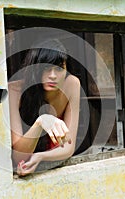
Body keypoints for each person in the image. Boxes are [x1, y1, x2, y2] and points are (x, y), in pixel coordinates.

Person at [8, 39, 80, 176]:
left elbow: (69, 147)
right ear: (35, 68)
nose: (53, 76)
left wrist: (40, 157)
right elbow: (18, 156)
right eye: (46, 68)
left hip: (54, 160)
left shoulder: (72, 84)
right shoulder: (14, 91)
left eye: (59, 69)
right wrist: (41, 122)